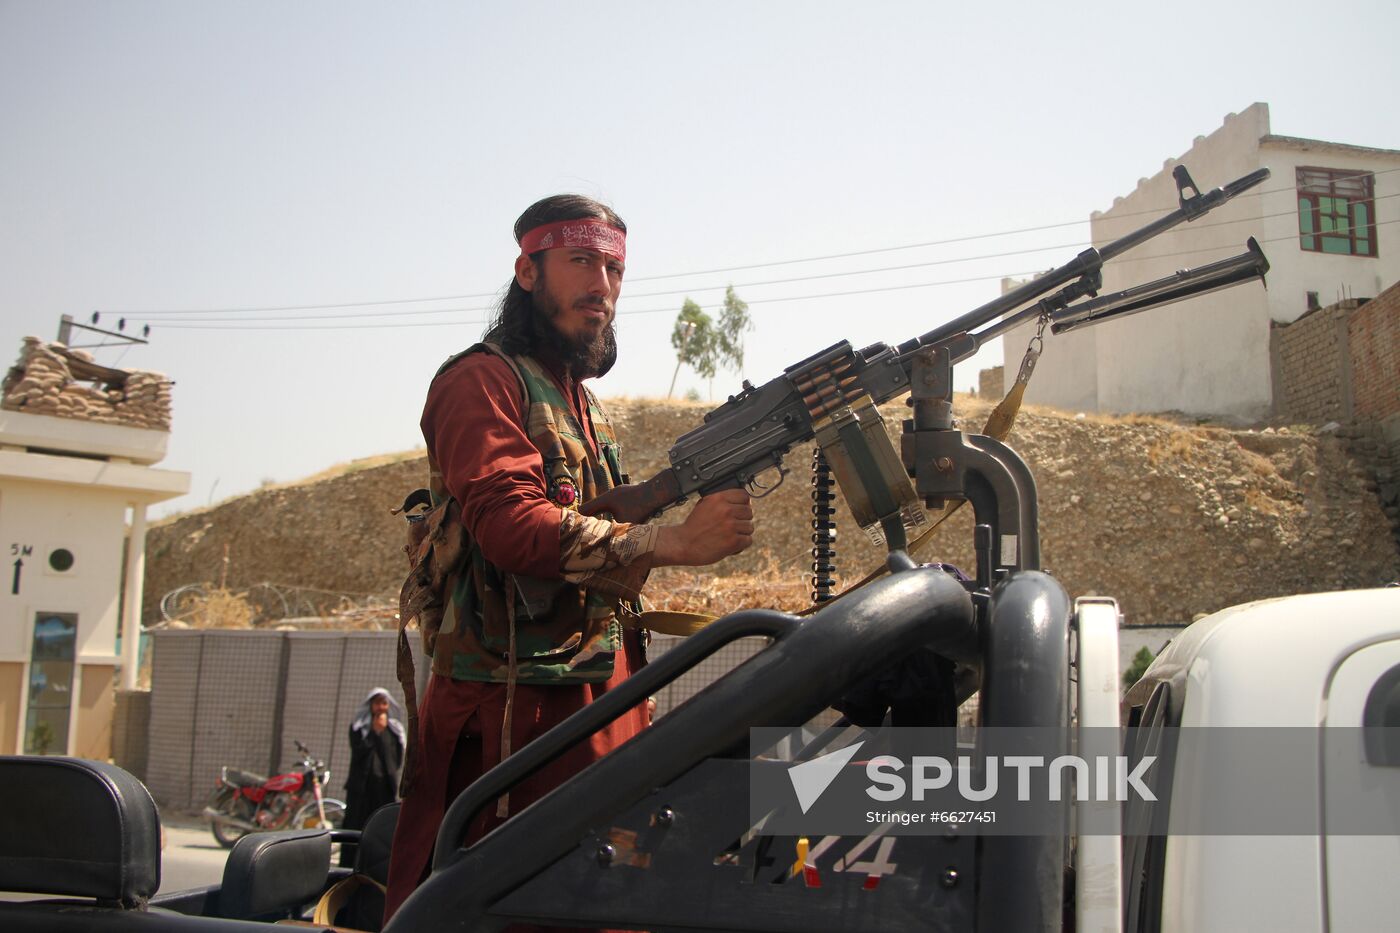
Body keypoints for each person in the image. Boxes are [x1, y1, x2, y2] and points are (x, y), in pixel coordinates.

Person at [384, 194, 755, 922]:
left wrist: (663, 497)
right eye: (581, 261)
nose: (602, 286)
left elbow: (587, 514)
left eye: (614, 270)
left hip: (596, 696)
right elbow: (512, 528)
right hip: (512, 717)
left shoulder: (576, 399)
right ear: (528, 271)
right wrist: (674, 542)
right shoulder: (480, 382)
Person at [341, 687, 405, 867]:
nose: (380, 707)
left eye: (383, 703)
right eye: (377, 703)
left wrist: (381, 733)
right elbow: (358, 753)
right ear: (370, 705)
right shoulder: (358, 728)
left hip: (384, 789)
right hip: (360, 790)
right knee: (354, 827)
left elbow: (396, 760)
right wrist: (373, 732)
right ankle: (348, 867)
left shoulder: (394, 731)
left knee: (380, 830)